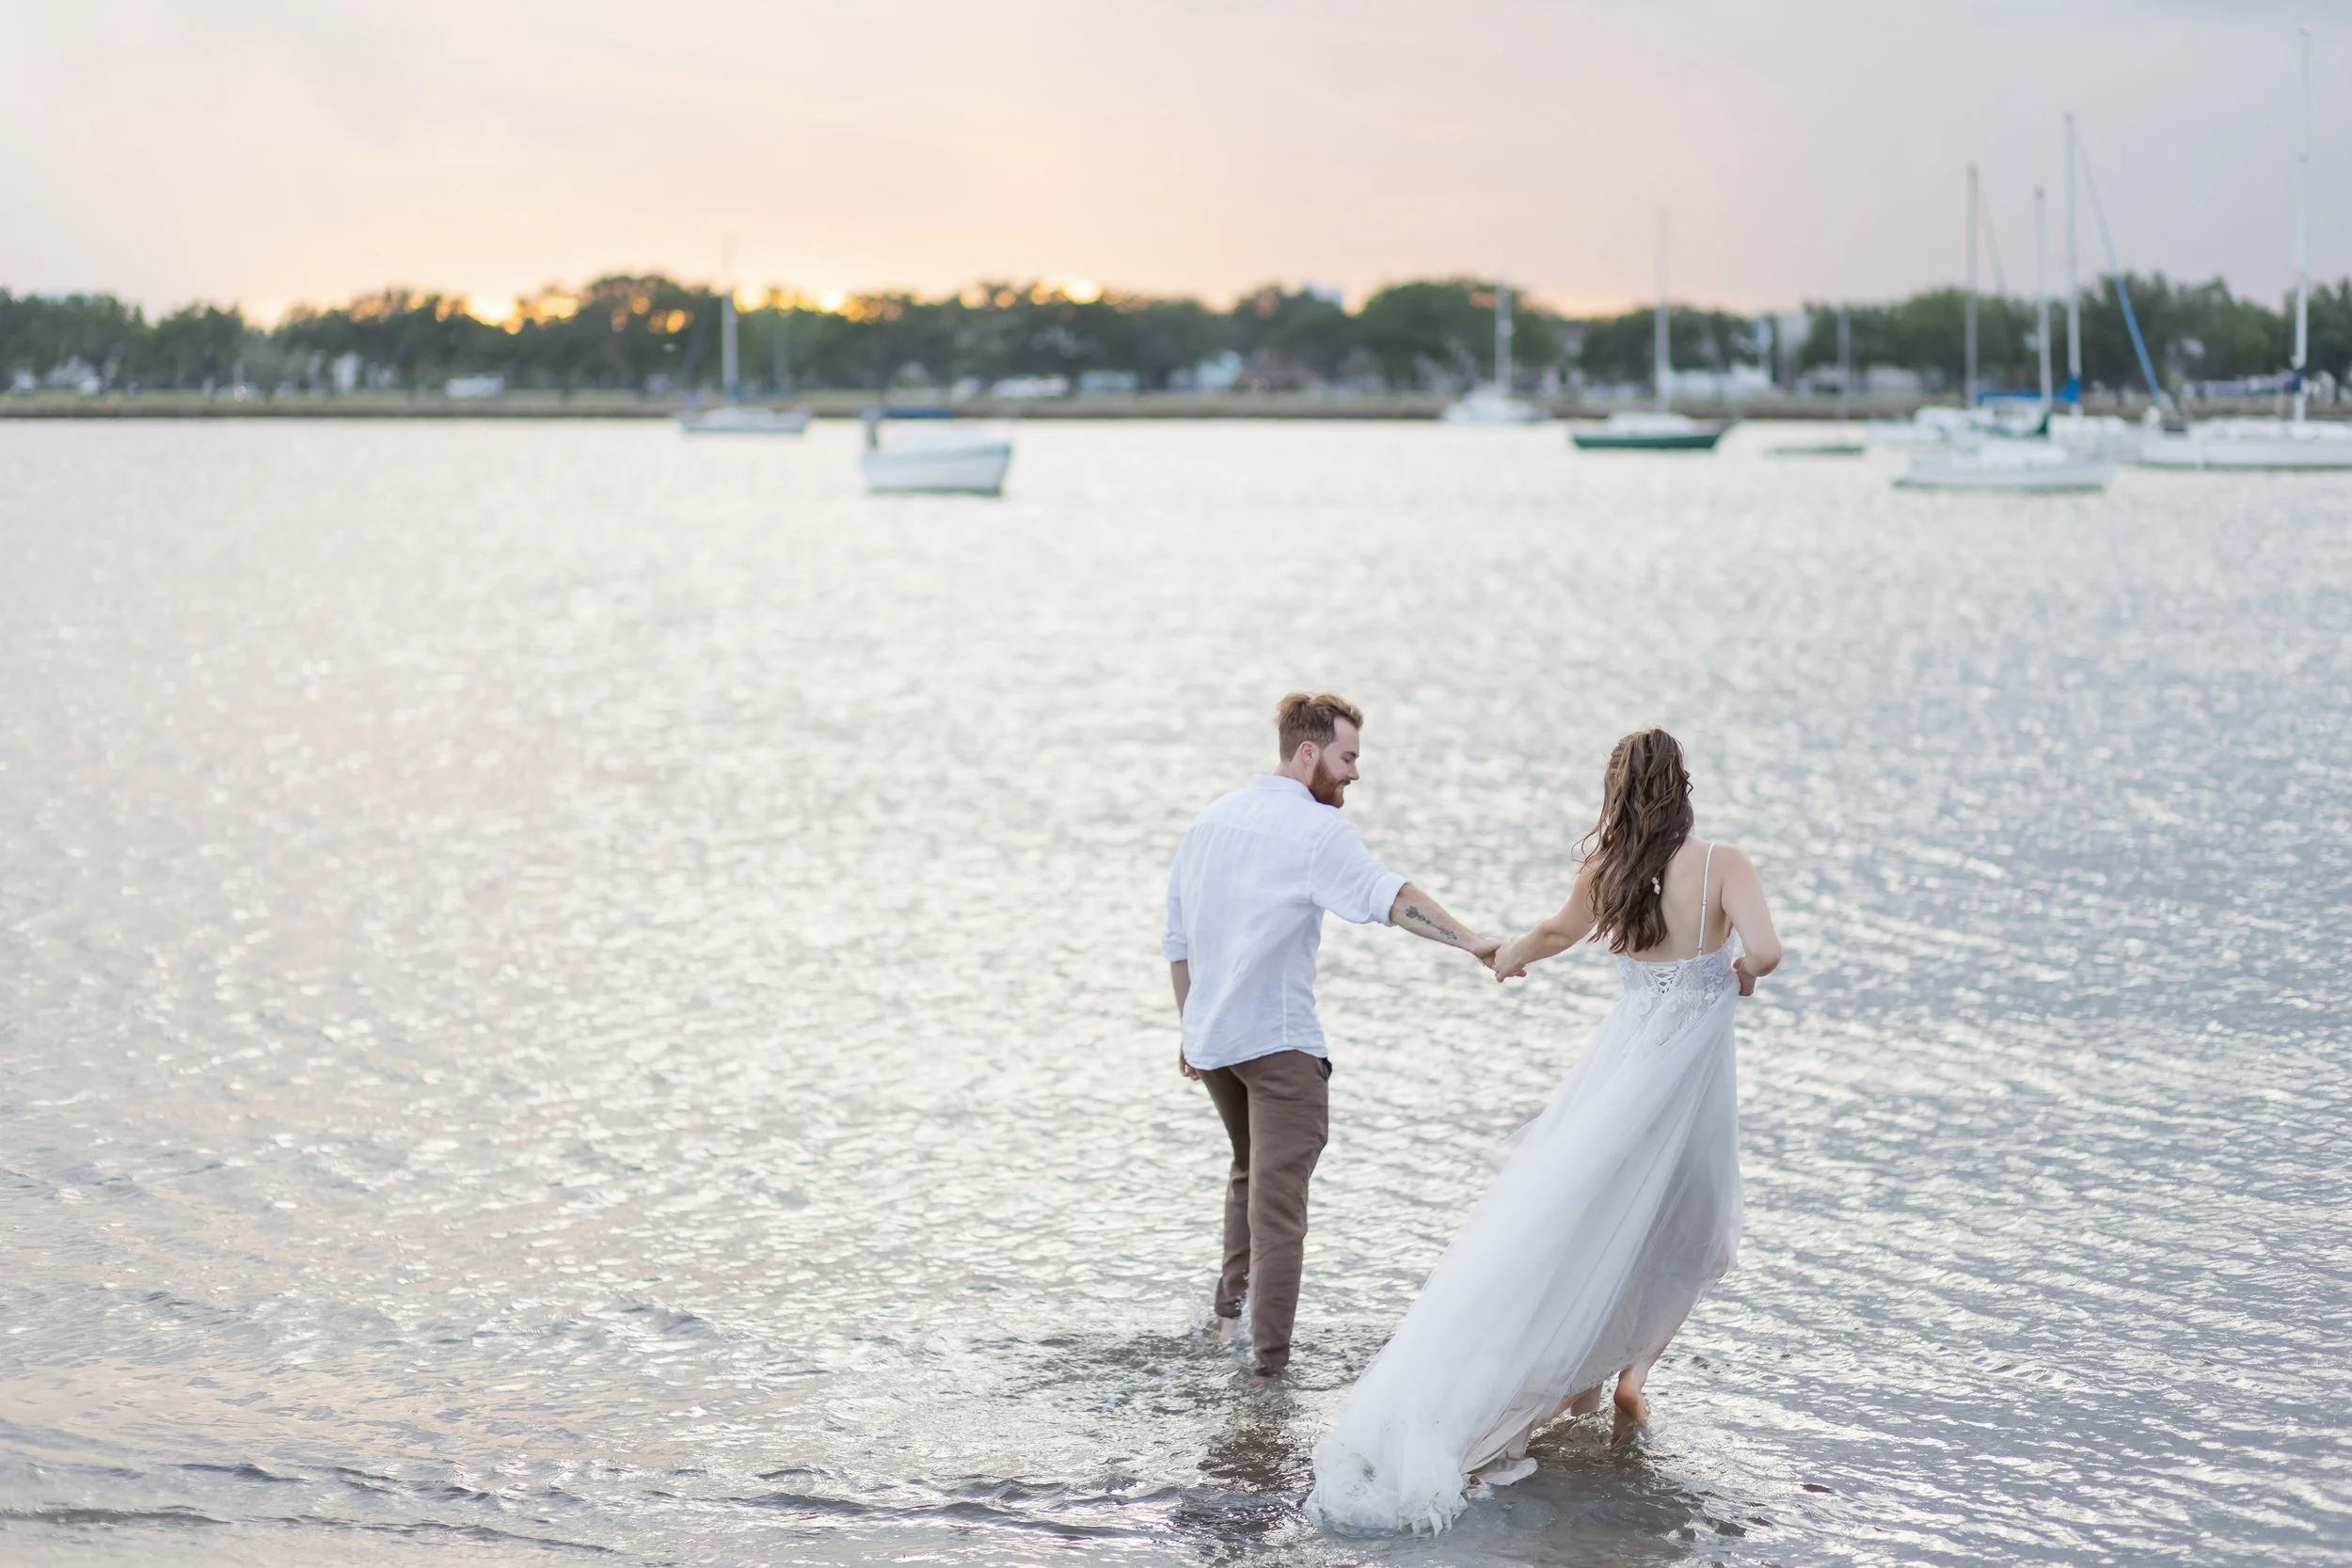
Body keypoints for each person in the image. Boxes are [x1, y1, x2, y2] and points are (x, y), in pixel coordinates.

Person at [1306, 728, 1782, 1533]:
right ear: (1684, 786)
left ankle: (1582, 1379)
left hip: (1622, 1076)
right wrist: (1738, 970)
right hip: (1691, 1091)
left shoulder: (1610, 872)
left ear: (1617, 793)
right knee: (1687, 1231)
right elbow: (1766, 950)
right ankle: (1626, 1378)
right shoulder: (1723, 864)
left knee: (1590, 1225)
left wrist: (1503, 955)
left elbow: (1556, 936)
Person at [1164, 691, 1499, 1384]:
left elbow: (1177, 937)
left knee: (1249, 1173)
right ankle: (1269, 1376)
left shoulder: (1211, 820)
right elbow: (1390, 895)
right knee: (1279, 1210)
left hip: (1215, 1043)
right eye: (1347, 757)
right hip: (1279, 1047)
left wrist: (1188, 1023)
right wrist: (1471, 941)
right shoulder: (1317, 831)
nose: (1354, 774)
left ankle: (1228, 1324)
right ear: (1308, 752)